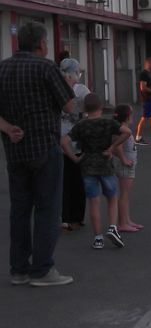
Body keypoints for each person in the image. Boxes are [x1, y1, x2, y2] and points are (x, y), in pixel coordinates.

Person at [0, 21, 75, 286]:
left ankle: (18, 268)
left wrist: (8, 128)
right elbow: (68, 106)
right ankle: (42, 270)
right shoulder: (46, 67)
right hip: (44, 147)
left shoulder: (3, 67)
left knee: (19, 209)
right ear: (42, 44)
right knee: (47, 207)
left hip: (15, 150)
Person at [61, 93, 129, 250]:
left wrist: (75, 158)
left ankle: (98, 238)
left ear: (85, 108)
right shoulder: (108, 123)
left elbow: (64, 142)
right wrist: (112, 147)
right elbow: (127, 132)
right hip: (105, 165)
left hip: (87, 167)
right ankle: (112, 227)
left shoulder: (81, 125)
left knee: (94, 201)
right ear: (101, 107)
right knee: (112, 197)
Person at [59, 58, 90, 231]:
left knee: (71, 182)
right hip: (70, 142)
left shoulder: (79, 89)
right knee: (72, 181)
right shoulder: (77, 89)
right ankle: (72, 217)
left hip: (68, 141)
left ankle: (71, 217)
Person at [112, 104, 142, 233]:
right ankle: (122, 223)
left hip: (129, 165)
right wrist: (124, 159)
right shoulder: (123, 130)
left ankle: (127, 220)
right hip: (126, 166)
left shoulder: (124, 129)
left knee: (126, 195)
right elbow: (117, 146)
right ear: (128, 116)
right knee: (124, 195)